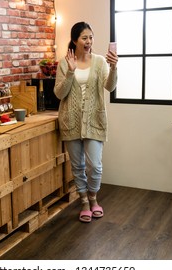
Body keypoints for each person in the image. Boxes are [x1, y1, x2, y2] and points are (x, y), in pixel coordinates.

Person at [54, 22, 118, 223]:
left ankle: (94, 198)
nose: (89, 41)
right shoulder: (64, 64)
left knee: (95, 166)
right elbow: (59, 93)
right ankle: (83, 202)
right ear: (75, 40)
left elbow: (110, 87)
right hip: (70, 121)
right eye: (84, 38)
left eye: (91, 37)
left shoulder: (100, 62)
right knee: (78, 166)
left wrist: (114, 66)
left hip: (94, 120)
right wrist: (71, 72)